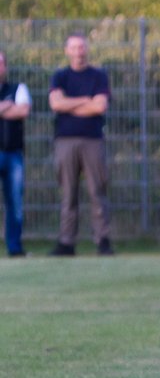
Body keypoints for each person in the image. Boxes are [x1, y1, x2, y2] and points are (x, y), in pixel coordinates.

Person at [49, 33, 113, 256]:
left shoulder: (99, 76)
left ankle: (103, 240)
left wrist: (71, 105)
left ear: (87, 49)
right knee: (68, 193)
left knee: (97, 190)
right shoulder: (59, 76)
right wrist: (86, 100)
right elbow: (56, 104)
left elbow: (100, 107)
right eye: (74, 47)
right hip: (65, 142)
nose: (79, 51)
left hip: (92, 141)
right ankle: (66, 243)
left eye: (82, 47)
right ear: (67, 50)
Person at [0, 50, 32, 257]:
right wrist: (5, 106)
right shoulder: (12, 96)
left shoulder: (18, 88)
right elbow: (14, 109)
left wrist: (11, 107)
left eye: (1, 63)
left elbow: (23, 111)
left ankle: (14, 248)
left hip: (13, 155)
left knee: (15, 203)